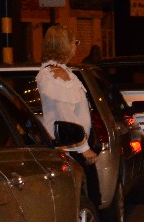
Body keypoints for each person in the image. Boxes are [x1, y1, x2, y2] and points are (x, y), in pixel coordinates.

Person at [36, 25, 100, 208]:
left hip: (75, 147)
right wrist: (83, 148)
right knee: (85, 203)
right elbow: (65, 114)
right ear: (63, 46)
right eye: (74, 42)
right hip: (70, 150)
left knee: (89, 201)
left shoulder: (63, 72)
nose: (75, 47)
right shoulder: (52, 76)